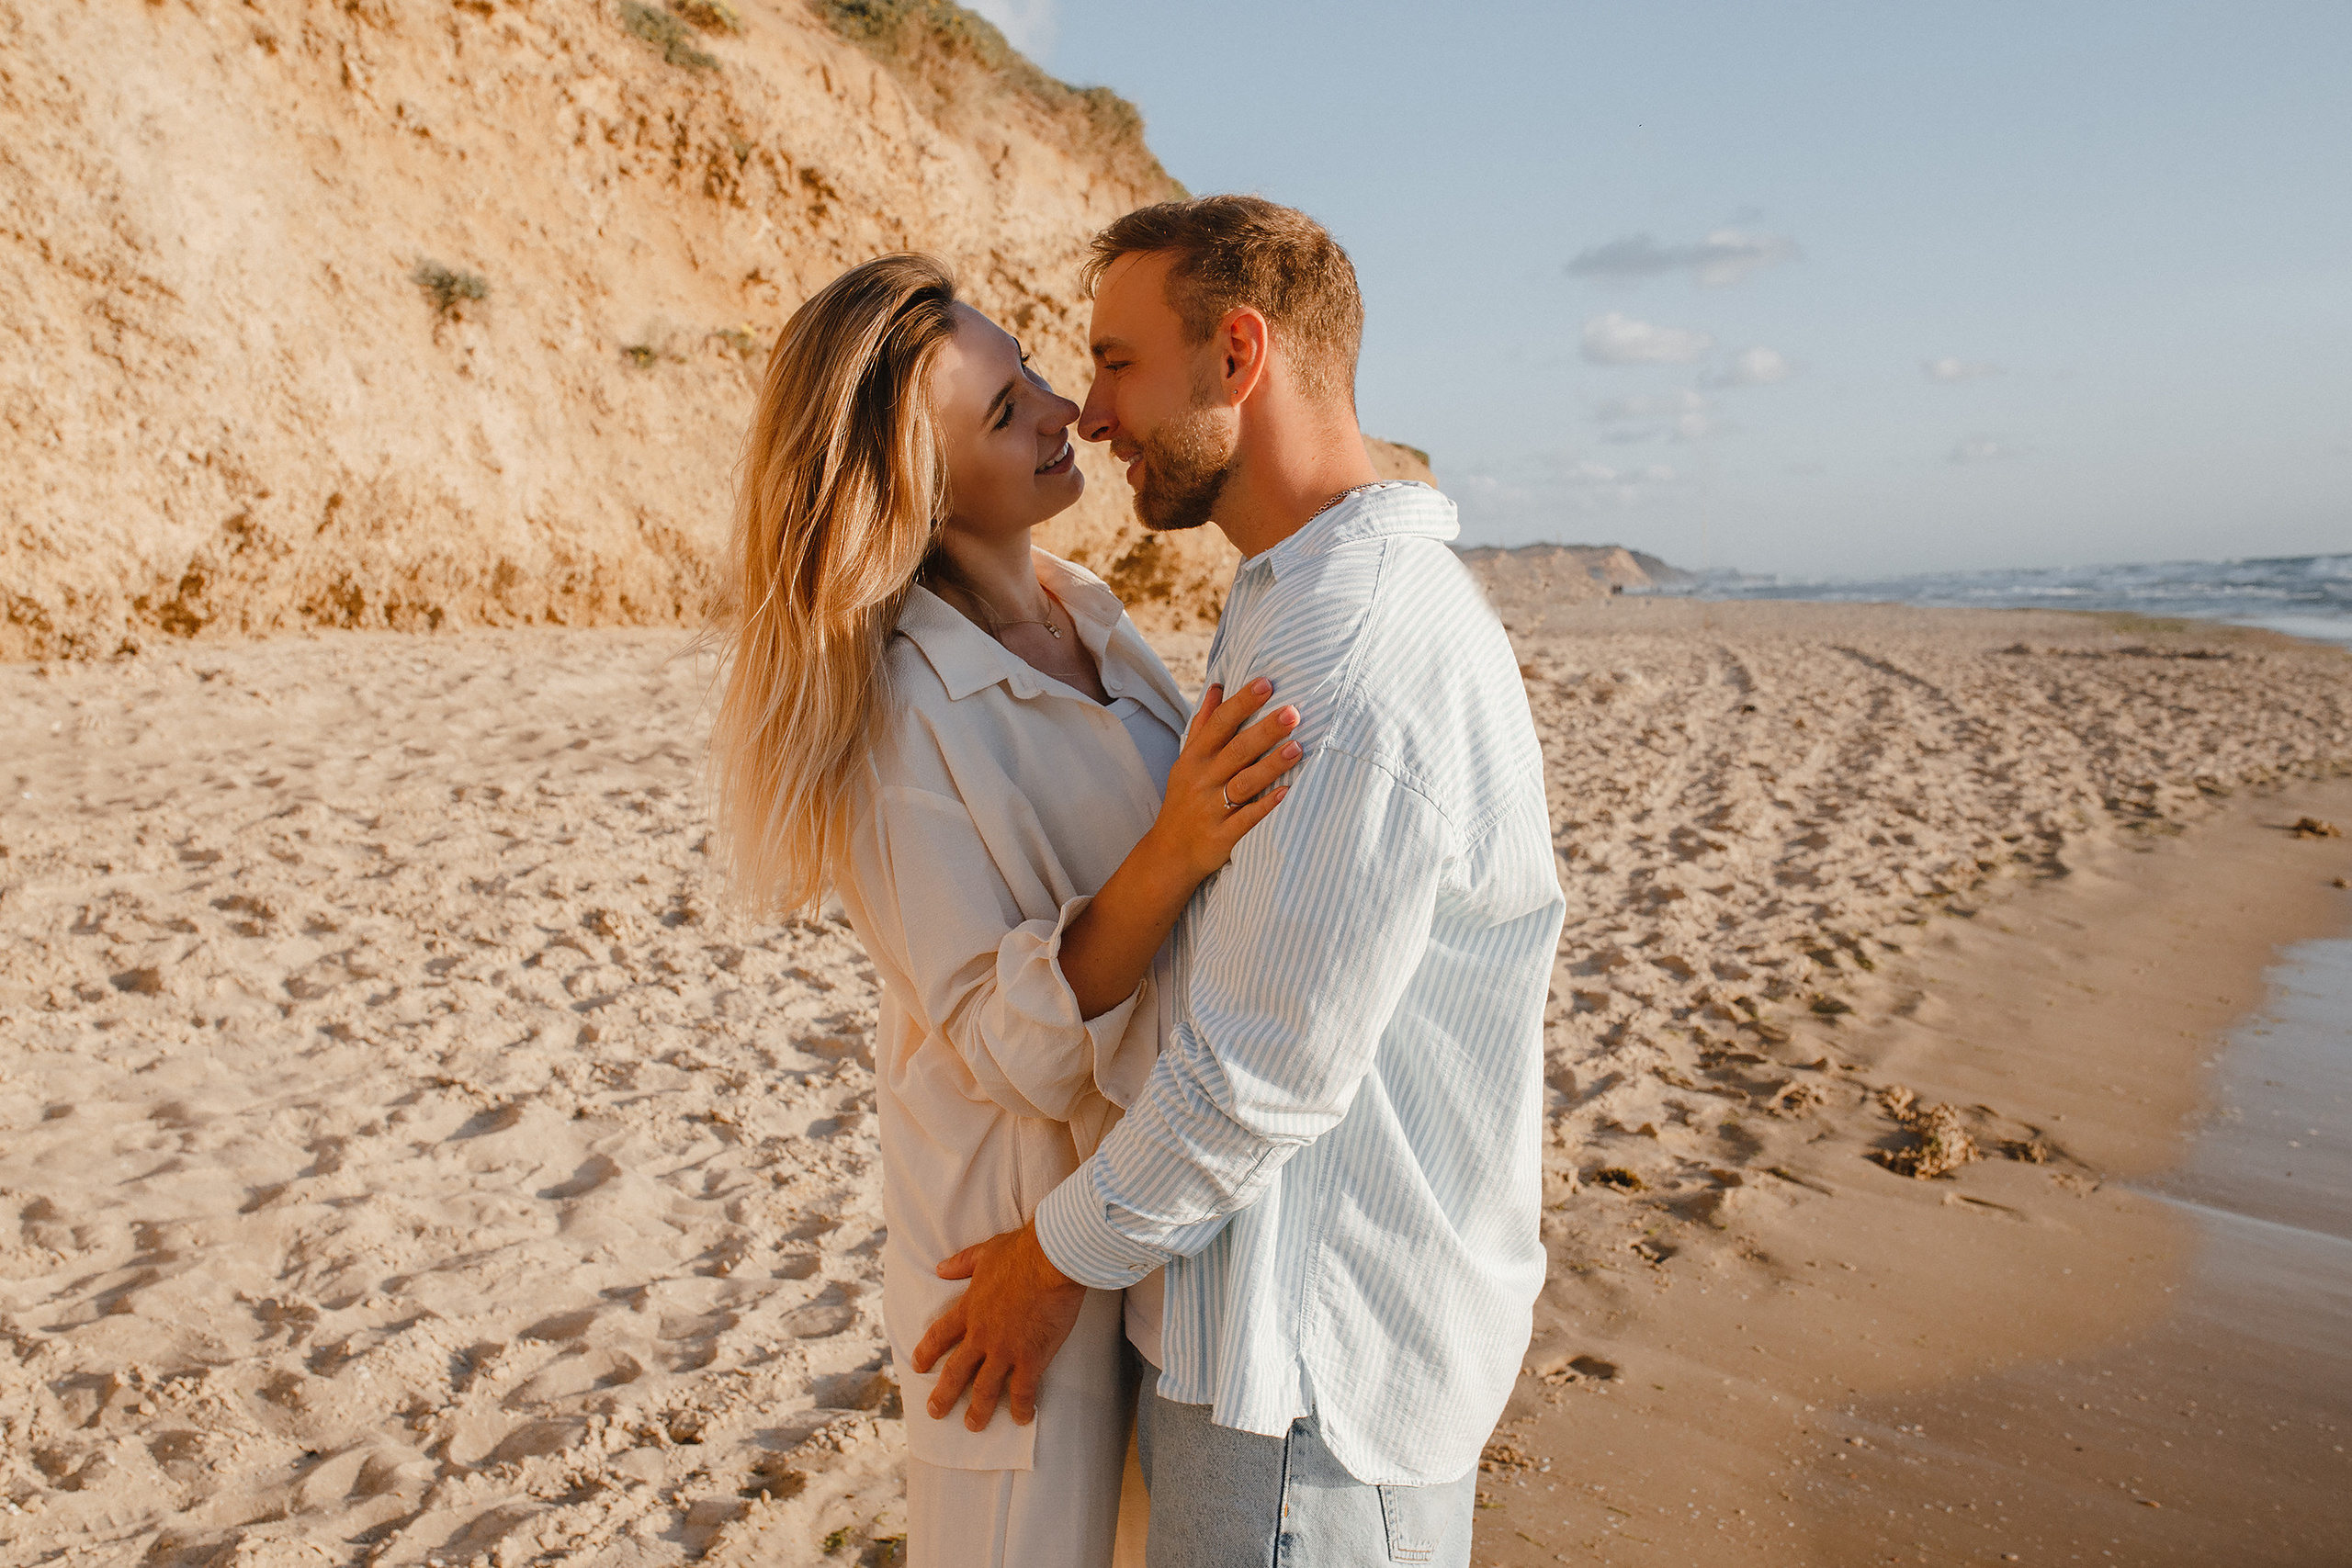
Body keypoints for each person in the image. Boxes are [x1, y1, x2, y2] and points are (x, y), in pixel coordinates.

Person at [911, 197, 1566, 1567]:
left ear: (1239, 356)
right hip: (1266, 1363)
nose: (1090, 411)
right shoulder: (1293, 594)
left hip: (1309, 1384)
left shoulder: (1351, 650)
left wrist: (1047, 1263)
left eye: (1116, 361)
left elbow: (1260, 1073)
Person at [707, 253, 1303, 1568]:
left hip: (1151, 1214)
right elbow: (1009, 1037)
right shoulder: (892, 718)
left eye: (1031, 367)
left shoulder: (1088, 613)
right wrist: (1174, 845)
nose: (1058, 409)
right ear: (912, 486)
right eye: (1003, 410)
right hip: (1007, 1251)